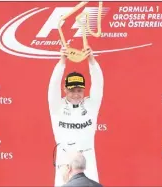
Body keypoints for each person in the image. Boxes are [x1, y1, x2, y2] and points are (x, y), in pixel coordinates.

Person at [48, 46, 104, 186]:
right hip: (65, 160)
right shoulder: (57, 106)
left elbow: (98, 84)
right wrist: (62, 61)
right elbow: (53, 85)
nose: (76, 94)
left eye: (79, 90)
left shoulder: (91, 105)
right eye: (72, 90)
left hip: (87, 158)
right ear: (65, 89)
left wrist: (91, 60)